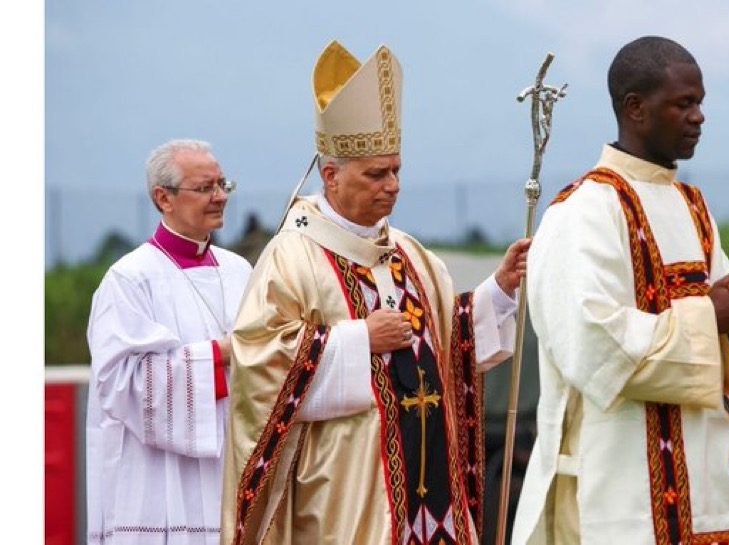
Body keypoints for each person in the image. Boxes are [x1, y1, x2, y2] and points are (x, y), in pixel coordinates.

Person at [220, 41, 531, 545]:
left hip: (430, 490)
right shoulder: (293, 255)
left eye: (397, 171)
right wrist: (358, 339)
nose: (392, 187)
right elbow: (258, 362)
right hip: (348, 491)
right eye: (376, 174)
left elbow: (448, 345)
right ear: (331, 175)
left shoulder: (411, 253)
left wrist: (497, 290)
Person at [511, 36, 729, 545]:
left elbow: (725, 329)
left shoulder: (693, 207)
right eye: (683, 103)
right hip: (618, 491)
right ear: (635, 109)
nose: (699, 117)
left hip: (712, 487)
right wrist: (710, 319)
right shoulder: (582, 213)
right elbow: (593, 345)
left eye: (700, 102)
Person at [85, 139, 252, 544]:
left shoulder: (241, 271)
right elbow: (120, 385)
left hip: (231, 469)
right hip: (155, 481)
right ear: (164, 198)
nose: (220, 197)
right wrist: (219, 356)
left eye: (223, 184)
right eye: (205, 188)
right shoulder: (130, 278)